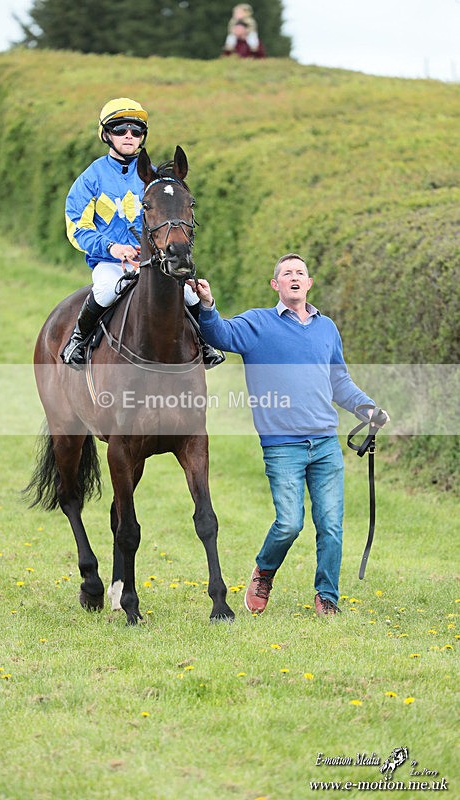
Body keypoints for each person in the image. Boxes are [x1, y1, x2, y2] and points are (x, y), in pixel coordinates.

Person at [192, 253, 389, 616]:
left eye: (300, 272)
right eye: (287, 273)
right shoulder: (257, 324)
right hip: (283, 446)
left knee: (331, 526)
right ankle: (264, 572)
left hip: (325, 444)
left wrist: (368, 409)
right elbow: (219, 333)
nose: (294, 277)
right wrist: (207, 304)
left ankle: (327, 597)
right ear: (276, 284)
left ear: (309, 283)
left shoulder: (327, 328)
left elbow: (339, 381)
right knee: (289, 523)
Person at [62, 97, 224, 368]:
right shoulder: (90, 178)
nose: (129, 135)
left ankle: (206, 344)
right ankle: (77, 341)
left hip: (155, 263)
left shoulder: (156, 180)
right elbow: (77, 227)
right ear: (106, 134)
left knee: (190, 295)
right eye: (120, 129)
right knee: (105, 290)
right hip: (112, 263)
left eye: (136, 131)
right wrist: (112, 247)